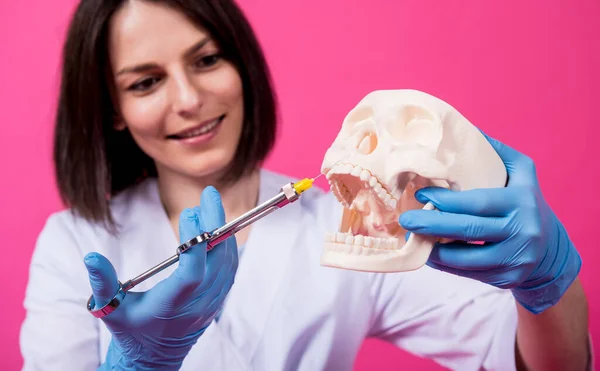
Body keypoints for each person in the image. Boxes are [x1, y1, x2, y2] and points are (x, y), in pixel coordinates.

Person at [19, 1, 591, 370]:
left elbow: (535, 363)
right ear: (113, 109)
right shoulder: (75, 244)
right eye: (146, 82)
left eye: (208, 59)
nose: (189, 100)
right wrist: (137, 364)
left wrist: (549, 284)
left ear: (242, 66)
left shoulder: (354, 232)